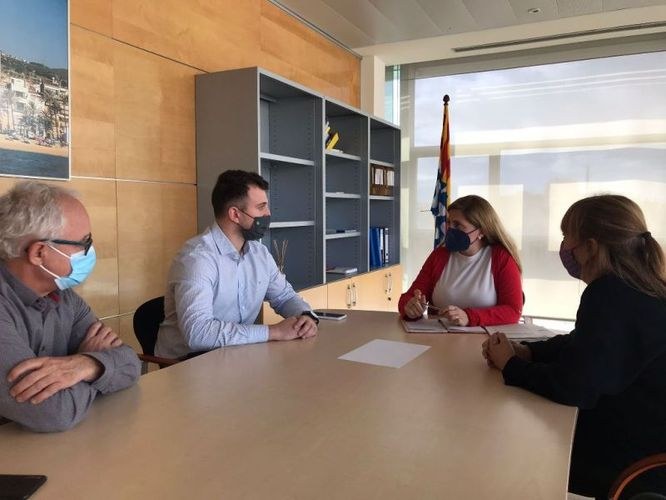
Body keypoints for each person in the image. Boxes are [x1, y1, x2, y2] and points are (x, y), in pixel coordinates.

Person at [483, 194, 666, 499]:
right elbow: (584, 342)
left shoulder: (608, 295)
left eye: (567, 236)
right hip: (649, 442)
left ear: (591, 247)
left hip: (631, 460)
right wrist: (530, 351)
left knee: (510, 447)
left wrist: (511, 365)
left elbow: (573, 388)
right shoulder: (644, 287)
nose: (564, 247)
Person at [0, 182, 141, 432]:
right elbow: (54, 412)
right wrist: (98, 370)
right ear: (39, 252)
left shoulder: (65, 297)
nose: (91, 251)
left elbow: (130, 363)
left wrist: (87, 364)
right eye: (84, 243)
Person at [155, 170, 318, 359]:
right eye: (261, 207)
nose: (268, 214)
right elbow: (198, 333)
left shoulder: (259, 254)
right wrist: (274, 332)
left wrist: (305, 316)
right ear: (235, 214)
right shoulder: (197, 259)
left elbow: (284, 296)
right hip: (187, 363)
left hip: (236, 354)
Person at [399, 195, 522, 326]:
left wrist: (469, 317)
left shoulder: (501, 258)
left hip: (485, 337)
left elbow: (513, 311)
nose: (450, 229)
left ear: (482, 231)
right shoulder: (439, 256)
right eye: (449, 223)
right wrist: (410, 308)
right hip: (439, 335)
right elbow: (409, 297)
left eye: (457, 225)